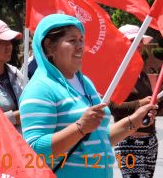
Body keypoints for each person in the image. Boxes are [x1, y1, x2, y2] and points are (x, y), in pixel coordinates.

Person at [20, 14, 157, 177]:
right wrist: (80, 127)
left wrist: (133, 122)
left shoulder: (85, 83)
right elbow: (34, 151)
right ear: (49, 46)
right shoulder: (40, 88)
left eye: (81, 39)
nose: (80, 46)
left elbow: (98, 138)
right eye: (72, 40)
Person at [108, 24, 161, 178]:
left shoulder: (142, 73)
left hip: (150, 140)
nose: (138, 46)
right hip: (128, 141)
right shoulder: (116, 73)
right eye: (133, 41)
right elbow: (111, 107)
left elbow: (152, 105)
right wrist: (140, 104)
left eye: (139, 42)